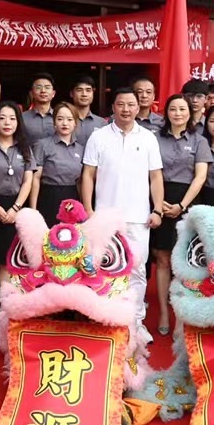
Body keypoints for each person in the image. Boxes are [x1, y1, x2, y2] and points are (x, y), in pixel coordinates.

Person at [80, 86, 165, 302]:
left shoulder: (148, 138)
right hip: (104, 216)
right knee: (102, 266)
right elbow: (88, 175)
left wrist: (157, 209)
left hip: (138, 218)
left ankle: (135, 317)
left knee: (137, 269)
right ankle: (105, 315)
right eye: (121, 104)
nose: (126, 109)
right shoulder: (98, 136)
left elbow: (156, 177)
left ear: (138, 108)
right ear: (113, 107)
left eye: (130, 105)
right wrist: (89, 210)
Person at [0, 102, 38, 327]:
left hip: (15, 206)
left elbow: (28, 180)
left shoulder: (25, 148)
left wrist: (16, 208)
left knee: (6, 261)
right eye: (2, 118)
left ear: (18, 122)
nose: (7, 123)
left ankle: (3, 304)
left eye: (12, 118)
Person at [153, 93, 208, 334]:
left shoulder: (199, 140)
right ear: (166, 112)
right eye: (173, 109)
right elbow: (150, 172)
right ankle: (164, 314)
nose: (178, 113)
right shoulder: (155, 138)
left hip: (187, 202)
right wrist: (159, 203)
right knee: (163, 259)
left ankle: (180, 317)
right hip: (160, 199)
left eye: (182, 109)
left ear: (190, 112)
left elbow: (200, 176)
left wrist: (182, 206)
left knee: (184, 262)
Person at [31, 101, 84, 216]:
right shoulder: (42, 145)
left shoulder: (80, 149)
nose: (65, 123)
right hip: (48, 196)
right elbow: (35, 178)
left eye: (69, 120)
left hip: (72, 198)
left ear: (75, 123)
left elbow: (80, 182)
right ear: (54, 122)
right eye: (60, 119)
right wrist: (33, 209)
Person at [20, 72, 58, 146]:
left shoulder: (60, 118)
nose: (43, 91)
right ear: (31, 93)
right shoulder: (22, 118)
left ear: (53, 93)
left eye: (47, 87)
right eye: (38, 87)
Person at [68, 75, 106, 145]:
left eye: (88, 90)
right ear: (71, 93)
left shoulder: (102, 123)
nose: (84, 94)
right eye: (79, 90)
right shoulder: (64, 121)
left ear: (93, 93)